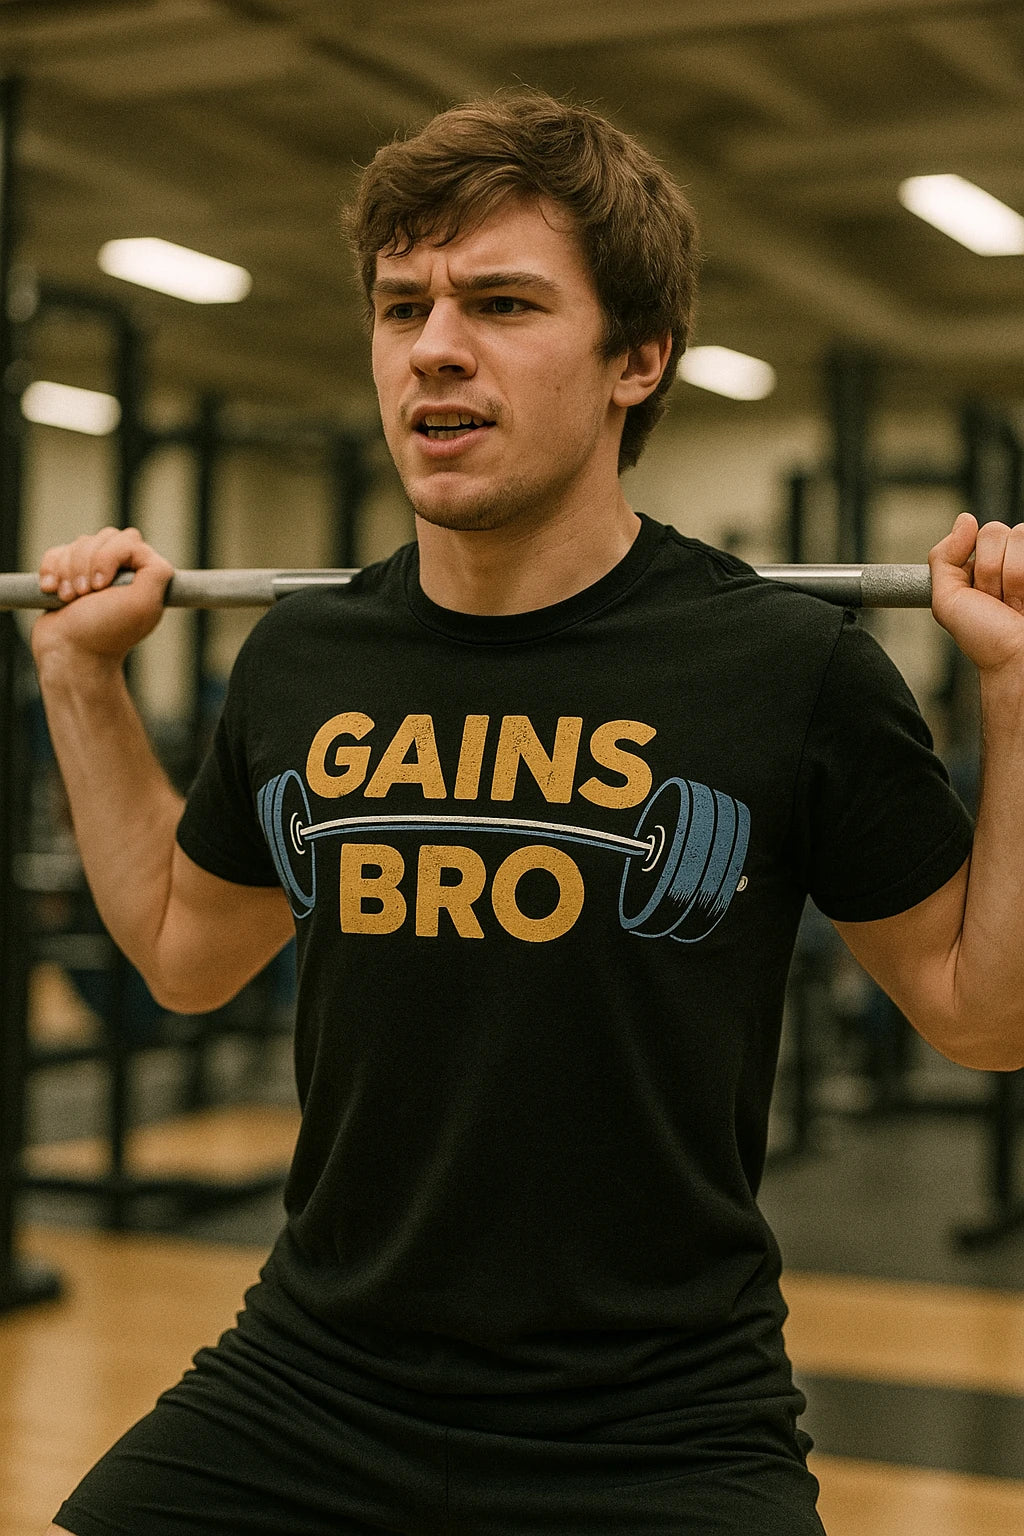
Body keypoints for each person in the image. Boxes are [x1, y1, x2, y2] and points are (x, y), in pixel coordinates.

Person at [32, 89, 1023, 1536]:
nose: (434, 347)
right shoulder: (306, 659)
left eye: (500, 302)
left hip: (657, 1422)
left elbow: (982, 1016)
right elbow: (188, 955)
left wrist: (1019, 699)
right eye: (400, 307)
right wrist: (79, 680)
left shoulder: (786, 669)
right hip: (315, 1380)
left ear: (638, 358)